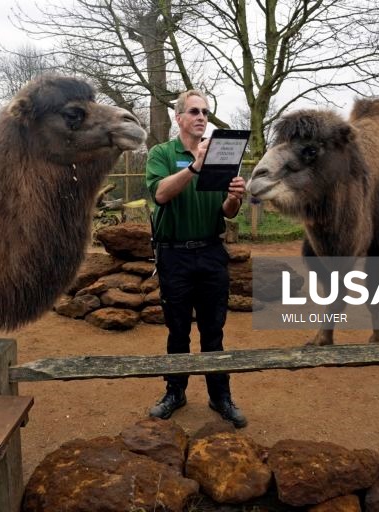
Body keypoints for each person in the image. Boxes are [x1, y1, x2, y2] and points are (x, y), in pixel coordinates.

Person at [145, 89, 247, 427]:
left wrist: (234, 197)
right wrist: (194, 166)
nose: (202, 117)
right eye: (194, 111)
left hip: (211, 252)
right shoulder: (162, 152)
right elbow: (160, 194)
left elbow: (228, 212)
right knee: (177, 331)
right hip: (174, 256)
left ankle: (221, 397)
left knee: (213, 330)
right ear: (179, 118)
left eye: (205, 111)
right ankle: (175, 392)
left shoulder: (222, 152)